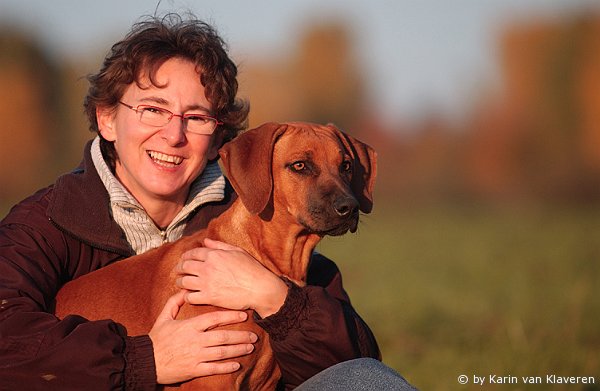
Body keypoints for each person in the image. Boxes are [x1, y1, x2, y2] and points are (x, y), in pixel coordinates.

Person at [0, 13, 417, 391]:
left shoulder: (270, 226)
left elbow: (355, 360)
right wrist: (144, 359)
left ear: (220, 137)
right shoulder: (42, 226)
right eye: (152, 109)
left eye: (196, 117)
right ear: (107, 119)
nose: (173, 134)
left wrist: (277, 299)